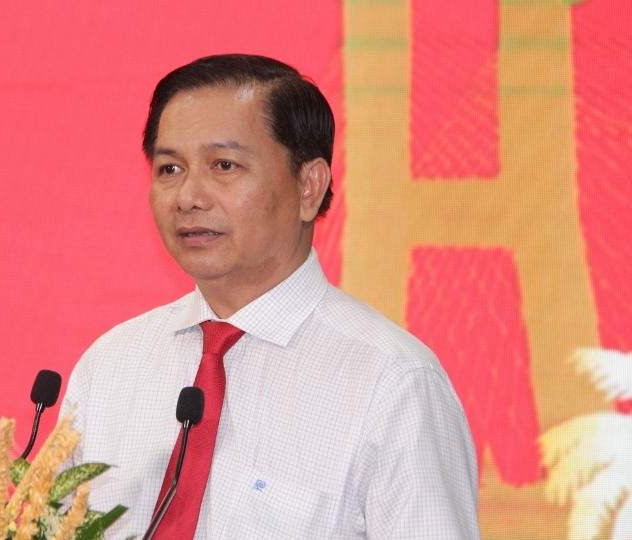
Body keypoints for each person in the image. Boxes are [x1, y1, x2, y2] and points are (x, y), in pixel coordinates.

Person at [60, 54, 479, 539]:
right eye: (169, 168)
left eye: (224, 165)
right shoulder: (113, 364)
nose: (188, 196)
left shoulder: (393, 384)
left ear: (309, 186)